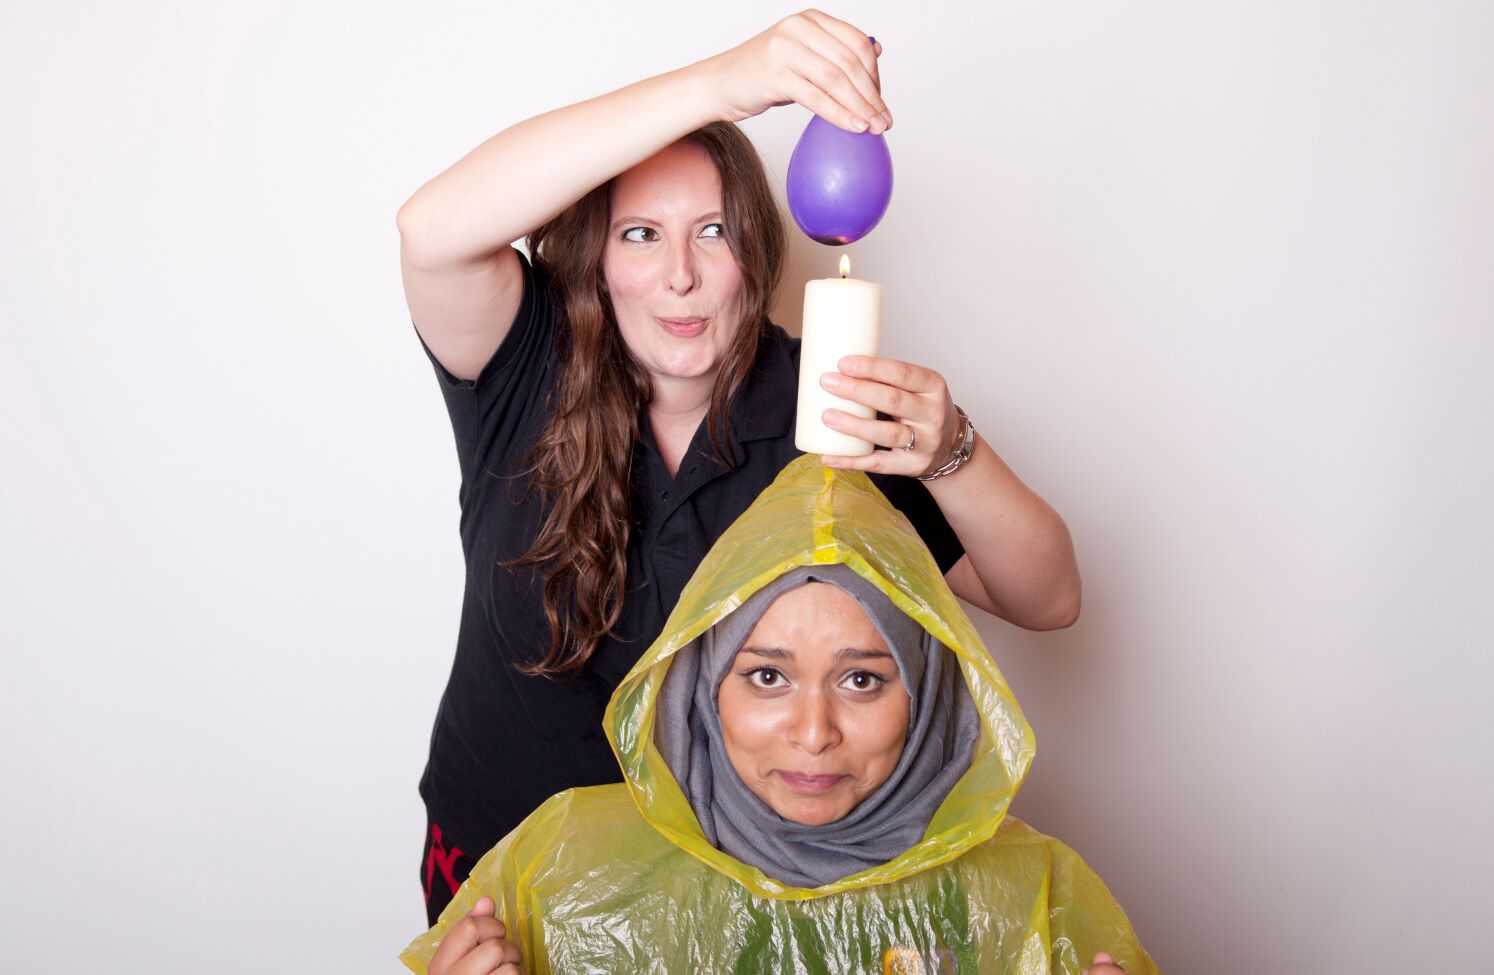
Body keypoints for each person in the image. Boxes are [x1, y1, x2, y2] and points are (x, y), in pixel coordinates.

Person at [396, 10, 1083, 923]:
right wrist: (730, 83)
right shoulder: (528, 363)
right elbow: (431, 226)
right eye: (641, 233)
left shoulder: (821, 407)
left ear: (755, 255)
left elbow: (1047, 597)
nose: (679, 274)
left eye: (713, 231)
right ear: (597, 258)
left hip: (718, 898)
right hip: (502, 878)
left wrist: (953, 449)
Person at [401, 456, 1156, 975]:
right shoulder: (556, 867)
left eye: (862, 678)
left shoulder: (1035, 895)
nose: (814, 731)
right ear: (704, 689)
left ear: (927, 699)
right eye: (767, 675)